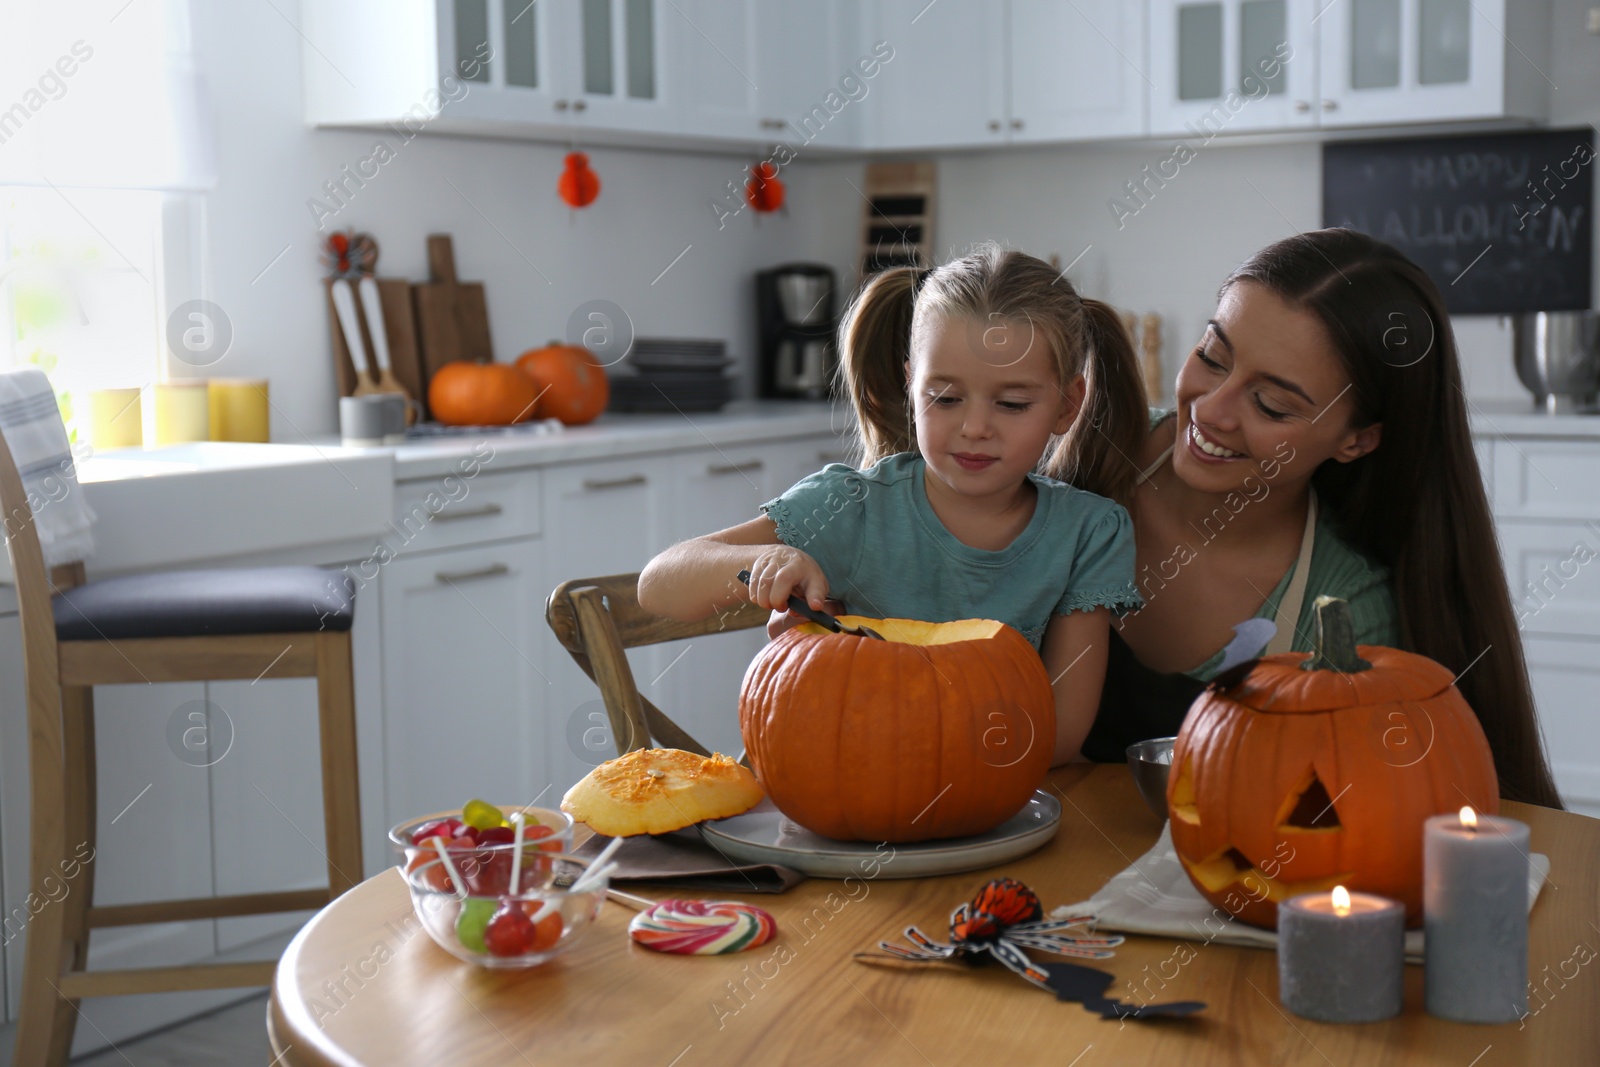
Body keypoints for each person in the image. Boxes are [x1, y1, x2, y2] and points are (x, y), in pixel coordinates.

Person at [1080, 228, 1563, 809]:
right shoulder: (1086, 449)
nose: (1211, 410)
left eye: (1272, 405)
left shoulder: (1347, 611)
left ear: (1357, 441)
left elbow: (1335, 820)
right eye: (1212, 357)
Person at [638, 245, 1149, 764]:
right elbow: (659, 584)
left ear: (1067, 405)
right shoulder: (849, 507)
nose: (974, 428)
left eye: (1012, 404)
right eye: (945, 398)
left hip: (1000, 806)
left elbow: (1059, 738)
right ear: (911, 385)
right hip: (843, 786)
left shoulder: (1089, 532)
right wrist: (761, 562)